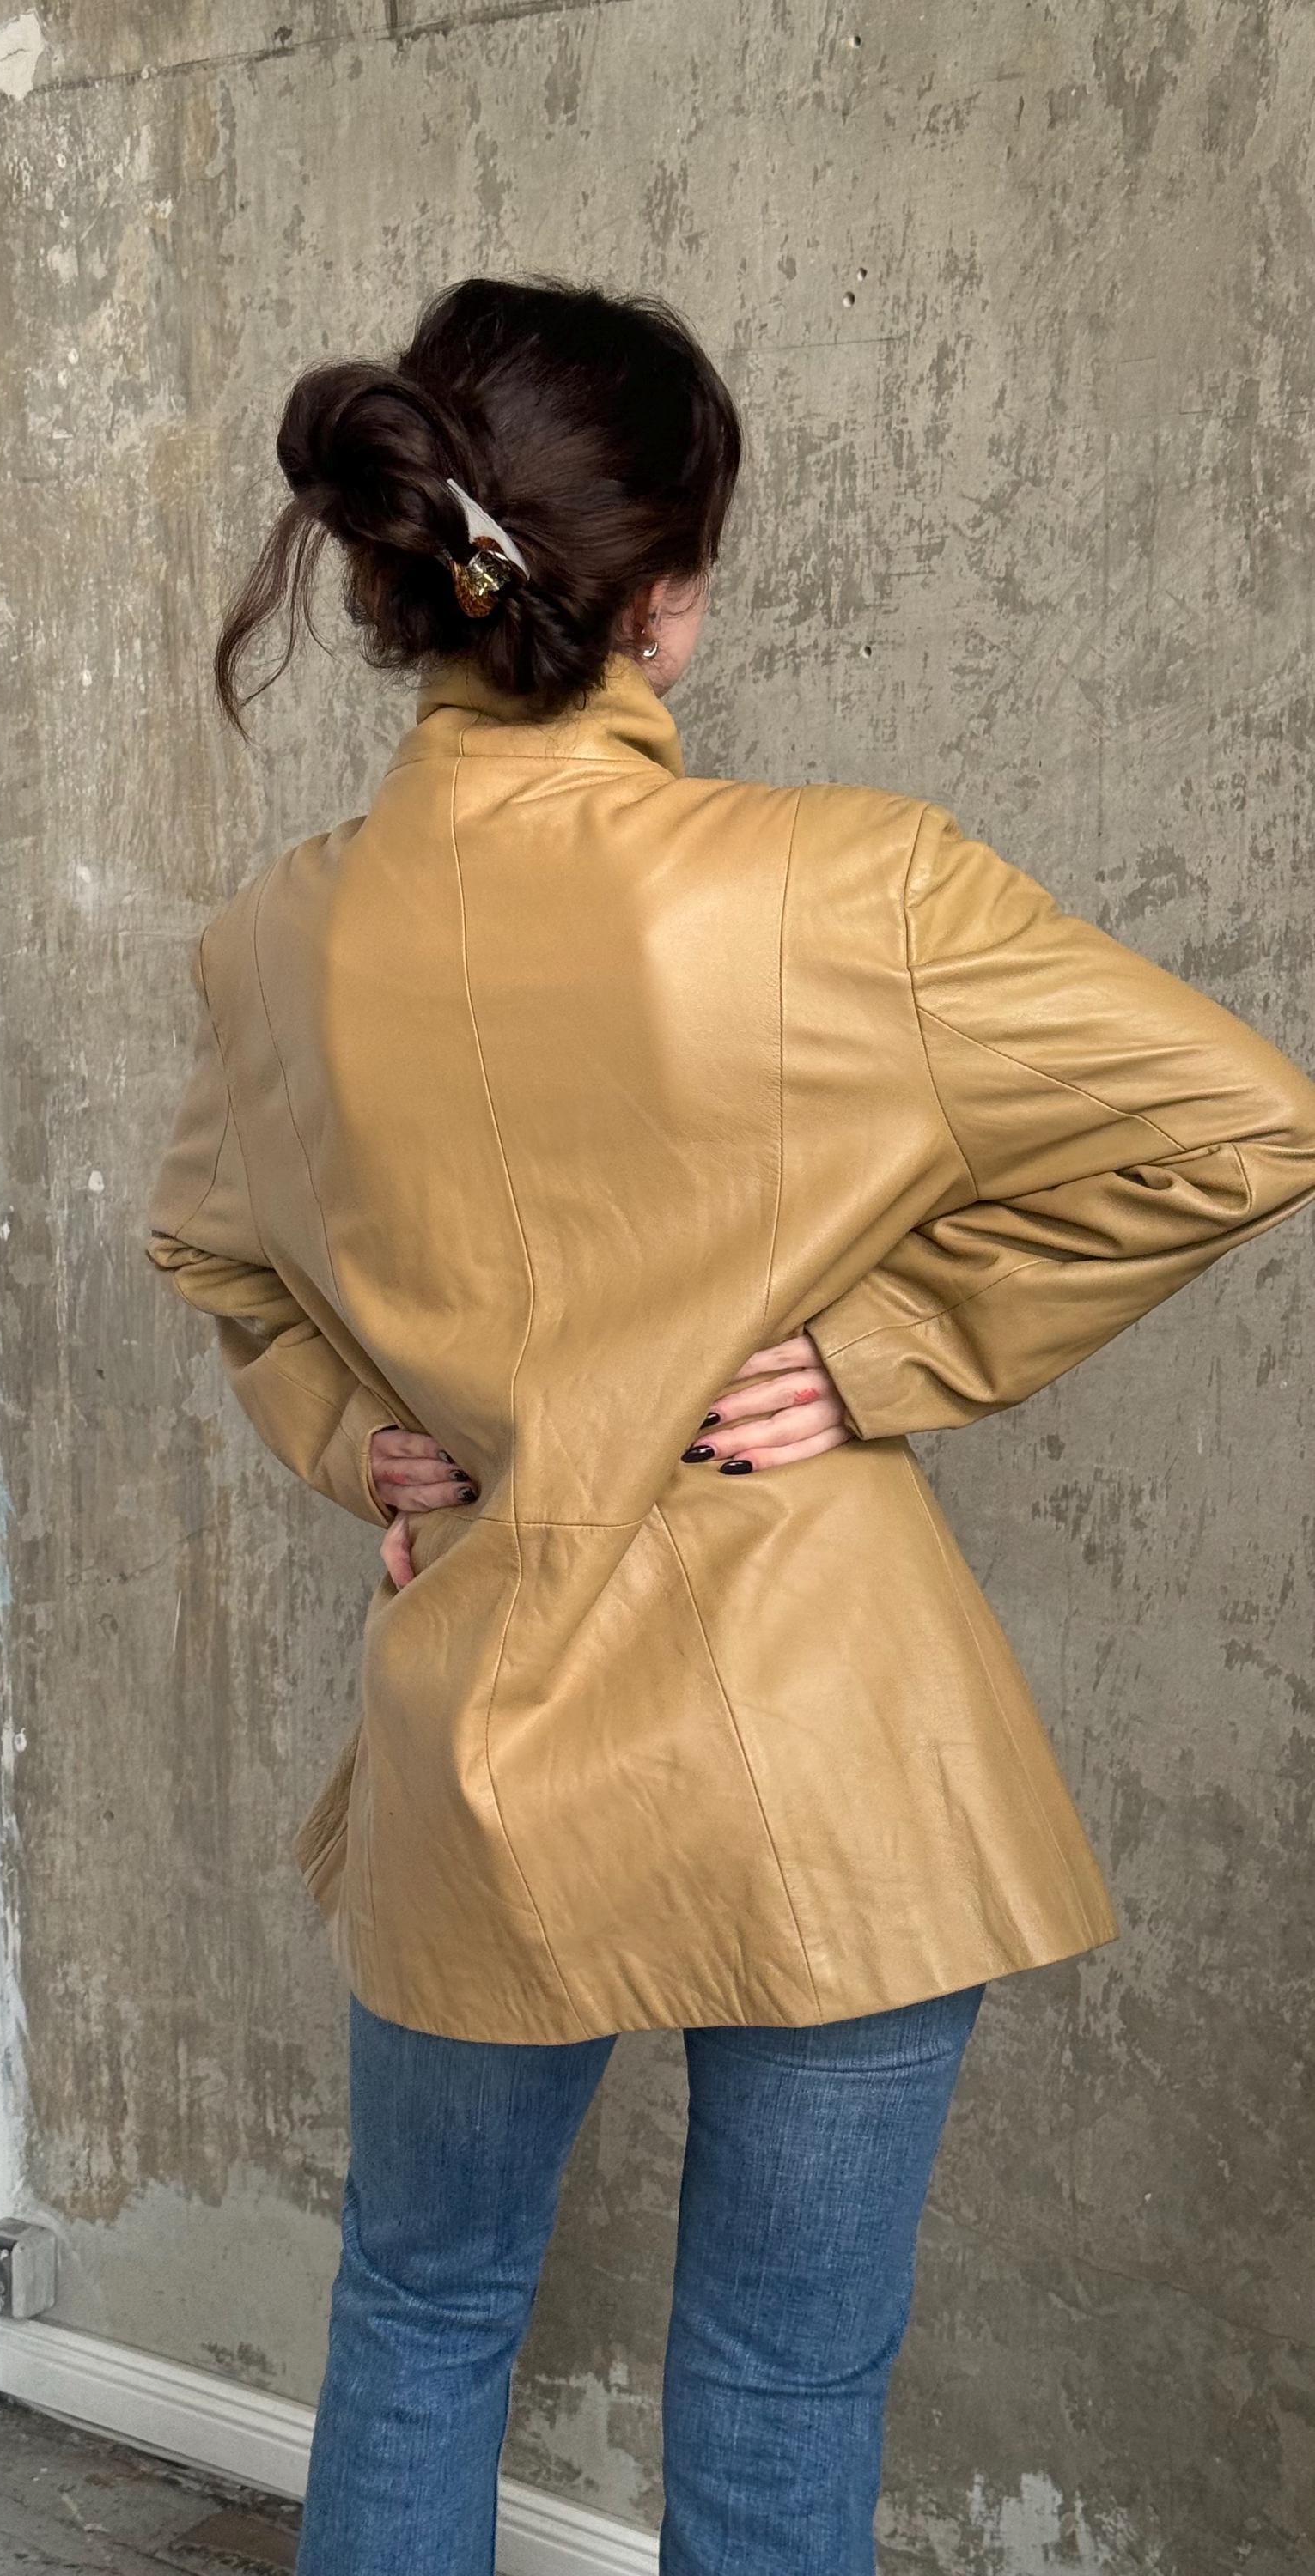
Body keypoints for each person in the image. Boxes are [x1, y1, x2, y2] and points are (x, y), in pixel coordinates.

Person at [143, 276, 1315, 2576]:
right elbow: (1245, 1120)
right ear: (665, 599)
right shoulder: (848, 885)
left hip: (485, 1740)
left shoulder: (277, 943)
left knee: (418, 2307)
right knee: (785, 2387)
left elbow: (218, 1260)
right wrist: (894, 1355)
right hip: (830, 1749)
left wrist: (354, 1435)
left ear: (396, 583)